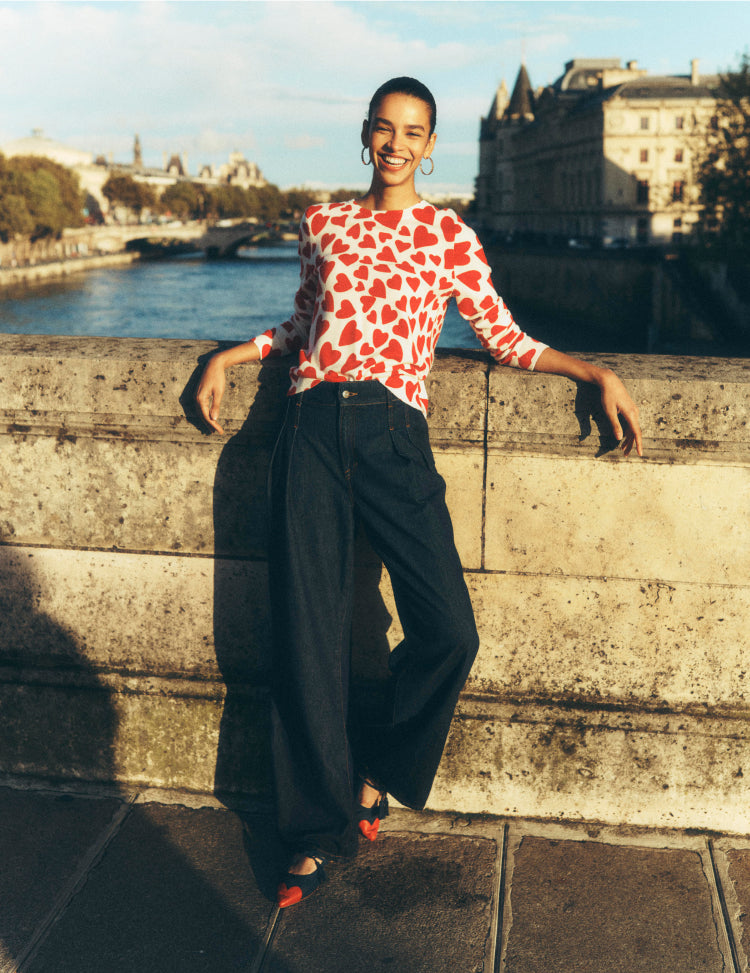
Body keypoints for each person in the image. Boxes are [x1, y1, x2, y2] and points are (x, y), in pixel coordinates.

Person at [196, 76, 643, 908]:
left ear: (431, 147)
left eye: (415, 131)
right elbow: (304, 324)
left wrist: (594, 368)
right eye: (385, 127)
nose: (398, 142)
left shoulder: (447, 235)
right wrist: (229, 355)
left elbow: (503, 339)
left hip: (395, 435)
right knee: (309, 635)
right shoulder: (322, 224)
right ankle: (311, 829)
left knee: (450, 628)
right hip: (310, 426)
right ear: (366, 134)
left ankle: (374, 770)